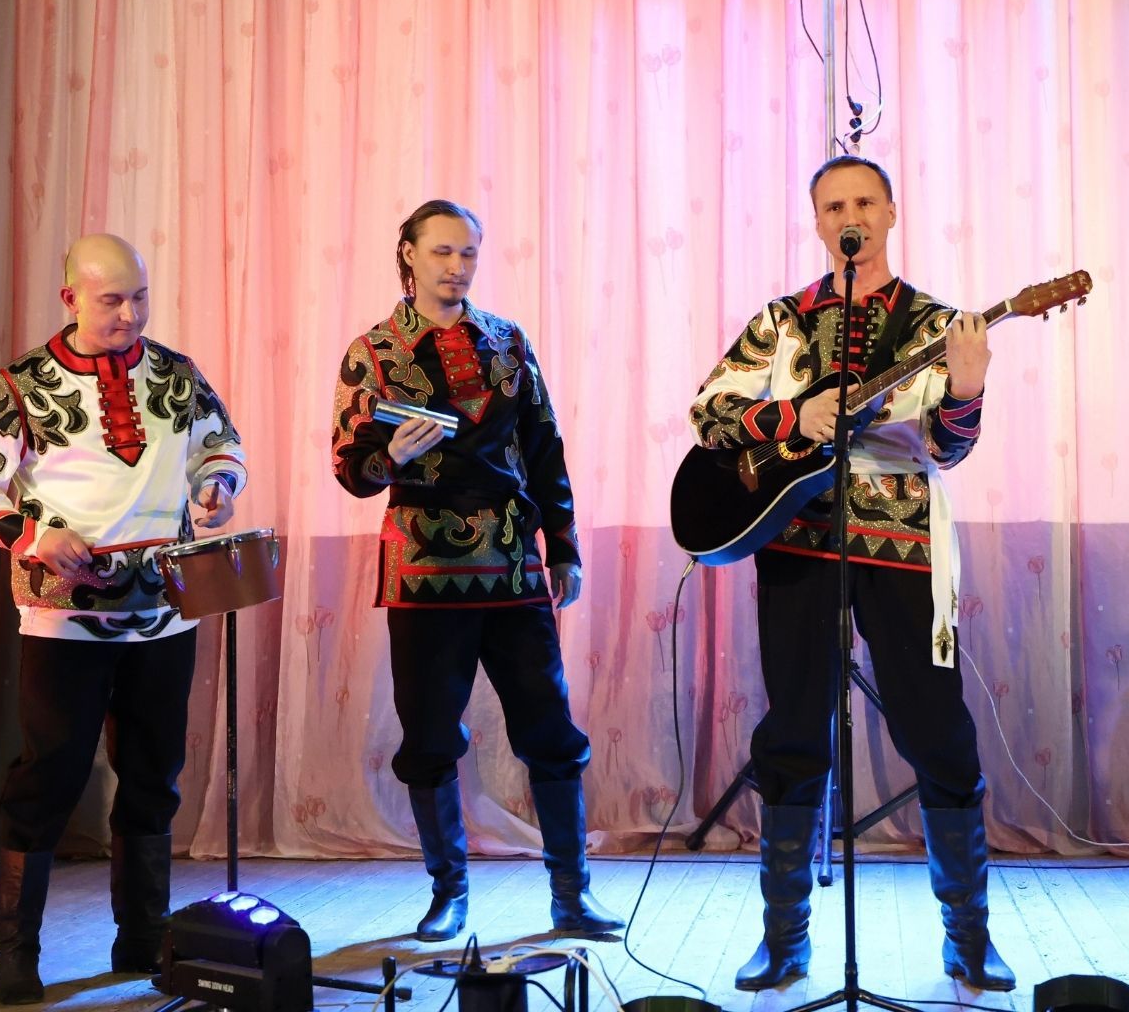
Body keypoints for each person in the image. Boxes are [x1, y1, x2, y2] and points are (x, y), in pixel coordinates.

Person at [688, 156, 1013, 991]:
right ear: (817, 222)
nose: (849, 216)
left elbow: (948, 448)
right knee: (793, 729)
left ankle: (968, 937)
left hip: (901, 545)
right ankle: (784, 940)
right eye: (833, 206)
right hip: (796, 538)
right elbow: (709, 411)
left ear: (891, 213)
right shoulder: (782, 320)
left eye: (863, 201)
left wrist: (966, 389)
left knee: (936, 728)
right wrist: (791, 414)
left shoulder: (937, 322)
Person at [0, 234, 246, 1002]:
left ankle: (142, 938)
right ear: (71, 298)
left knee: (153, 774)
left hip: (165, 613)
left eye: (140, 297)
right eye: (112, 300)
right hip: (63, 618)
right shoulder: (21, 385)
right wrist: (30, 535)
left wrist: (218, 486)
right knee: (48, 776)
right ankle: (17, 953)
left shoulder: (176, 374)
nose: (130, 314)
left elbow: (219, 447)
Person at [331, 199, 620, 943]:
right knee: (430, 737)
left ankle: (571, 896)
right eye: (442, 252)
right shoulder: (372, 352)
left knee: (550, 730)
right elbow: (350, 468)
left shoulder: (508, 341)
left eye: (468, 254)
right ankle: (448, 895)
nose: (457, 267)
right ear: (408, 253)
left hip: (515, 562)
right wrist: (387, 456)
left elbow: (545, 446)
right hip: (423, 570)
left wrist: (564, 546)